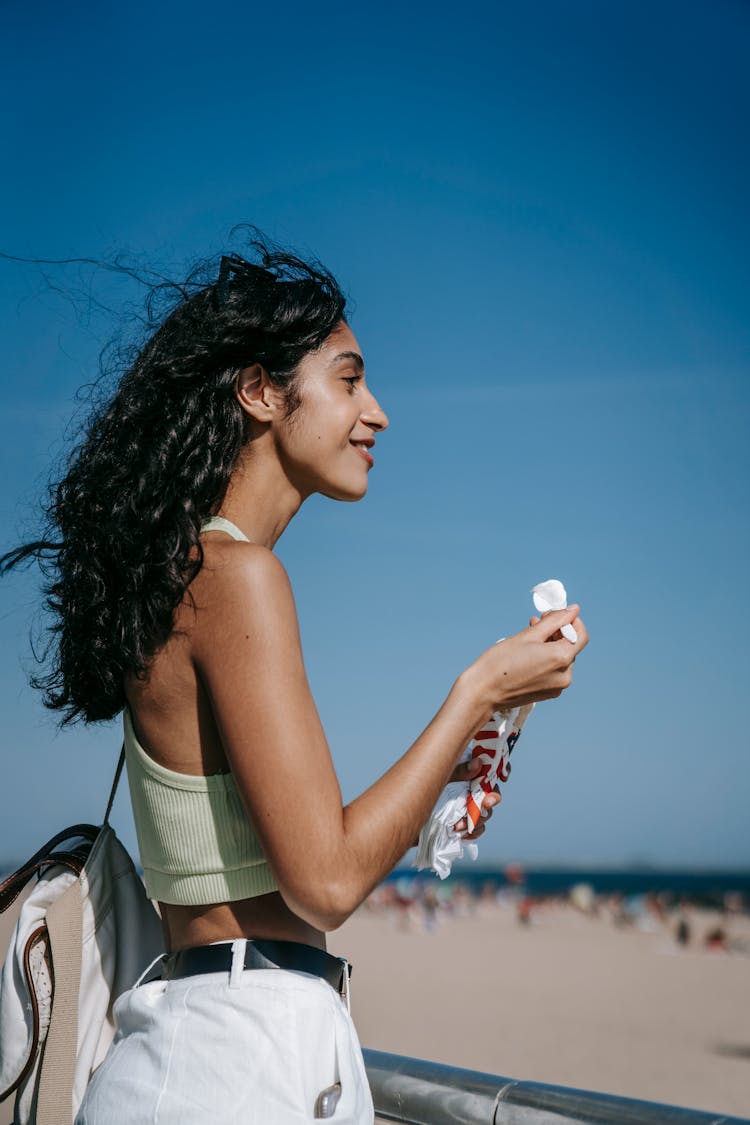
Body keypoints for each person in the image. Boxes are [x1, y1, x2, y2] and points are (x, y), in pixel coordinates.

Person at [1, 236, 588, 1123]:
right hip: (239, 1055)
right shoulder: (238, 578)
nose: (378, 411)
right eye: (350, 380)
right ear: (261, 393)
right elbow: (325, 879)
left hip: (192, 1040)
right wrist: (482, 689)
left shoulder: (183, 574)